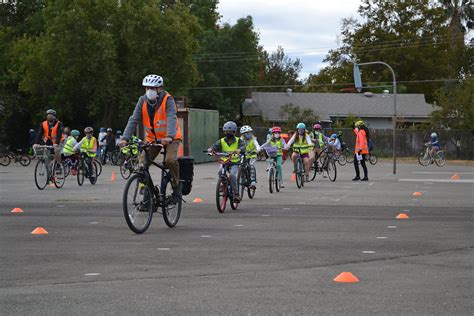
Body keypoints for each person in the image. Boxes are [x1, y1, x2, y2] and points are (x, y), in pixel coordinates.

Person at [121, 74, 182, 203]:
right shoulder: (142, 100)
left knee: (170, 160)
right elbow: (134, 119)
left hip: (171, 138)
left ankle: (177, 187)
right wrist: (125, 138)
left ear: (160, 88)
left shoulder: (168, 99)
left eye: (153, 88)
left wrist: (169, 136)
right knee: (141, 164)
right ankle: (148, 198)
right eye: (147, 88)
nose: (150, 91)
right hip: (152, 140)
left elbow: (171, 117)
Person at [208, 121, 245, 203]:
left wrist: (239, 150)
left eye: (230, 131)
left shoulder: (239, 141)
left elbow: (243, 147)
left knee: (232, 176)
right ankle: (224, 185)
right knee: (220, 172)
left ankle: (236, 194)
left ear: (234, 132)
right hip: (224, 161)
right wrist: (211, 149)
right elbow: (214, 146)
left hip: (234, 162)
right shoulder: (221, 141)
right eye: (226, 131)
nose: (228, 133)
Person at [240, 125, 261, 189]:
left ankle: (253, 182)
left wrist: (257, 150)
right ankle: (242, 179)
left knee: (251, 165)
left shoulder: (253, 139)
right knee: (241, 165)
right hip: (244, 155)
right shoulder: (241, 140)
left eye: (250, 132)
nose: (249, 134)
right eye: (247, 133)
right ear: (243, 134)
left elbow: (257, 146)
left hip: (252, 155)